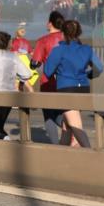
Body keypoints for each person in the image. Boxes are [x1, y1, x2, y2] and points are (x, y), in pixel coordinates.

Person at [43, 20, 104, 149]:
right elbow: (99, 68)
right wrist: (88, 74)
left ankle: (91, 154)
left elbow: (47, 72)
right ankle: (61, 154)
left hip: (66, 88)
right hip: (84, 88)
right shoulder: (87, 49)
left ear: (62, 33)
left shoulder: (59, 50)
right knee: (67, 125)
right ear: (79, 32)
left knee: (75, 124)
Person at [30, 11, 66, 144]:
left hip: (49, 82)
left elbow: (34, 64)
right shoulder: (69, 38)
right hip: (69, 81)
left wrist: (34, 58)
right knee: (65, 112)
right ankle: (73, 129)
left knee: (49, 115)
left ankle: (56, 146)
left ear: (50, 23)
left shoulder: (43, 40)